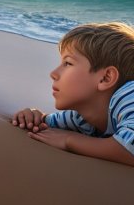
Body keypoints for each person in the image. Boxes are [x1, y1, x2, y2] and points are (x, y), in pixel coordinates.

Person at [11, 22, 134, 167]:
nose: (53, 74)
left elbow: (130, 148)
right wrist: (34, 116)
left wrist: (69, 140)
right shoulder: (82, 116)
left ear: (105, 78)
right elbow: (47, 124)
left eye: (68, 63)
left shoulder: (128, 96)